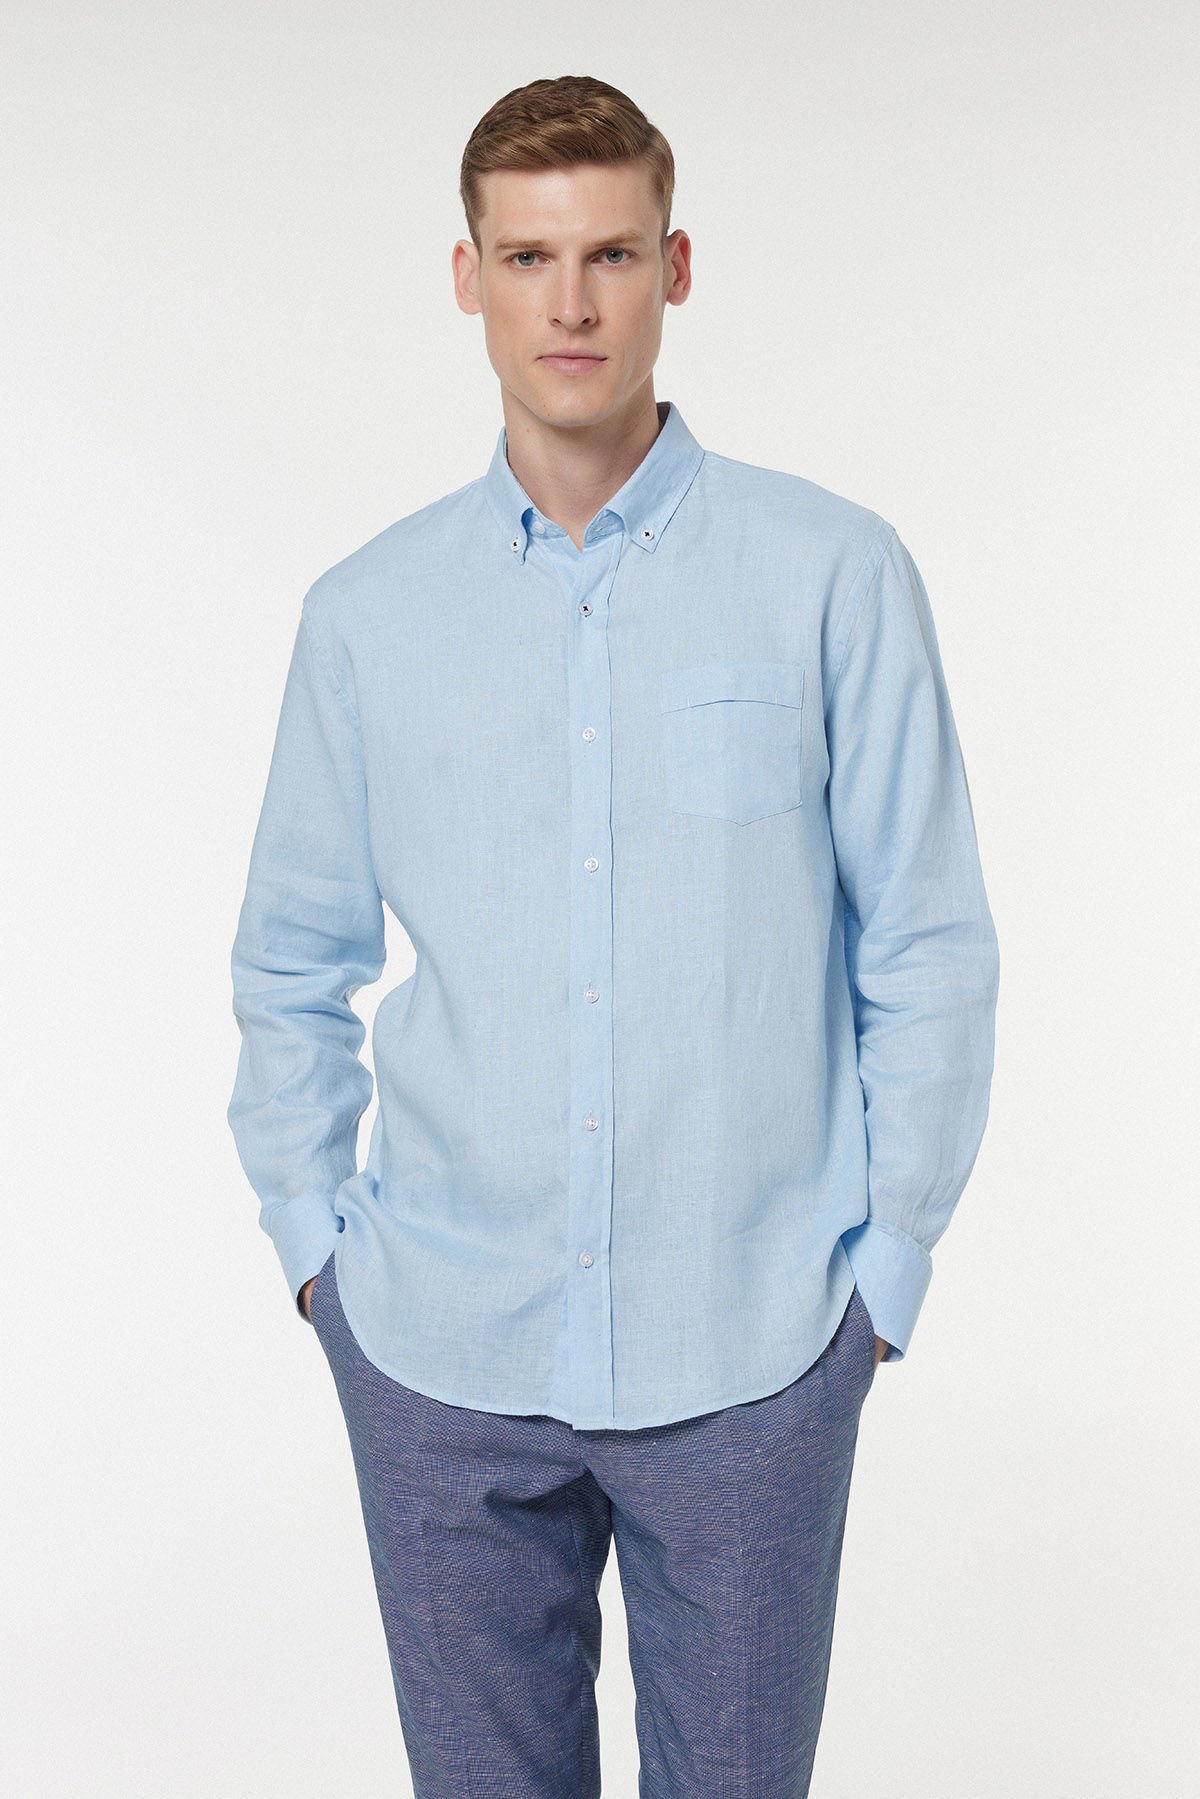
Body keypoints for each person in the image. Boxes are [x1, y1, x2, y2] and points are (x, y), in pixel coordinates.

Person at [227, 72, 1000, 1798]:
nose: (569, 303)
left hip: (757, 1351)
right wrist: (317, 1256)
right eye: (528, 257)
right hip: (438, 1353)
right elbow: (291, 961)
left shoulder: (832, 573)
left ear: (677, 266)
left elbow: (928, 941)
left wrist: (879, 1278)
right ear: (468, 277)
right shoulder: (366, 617)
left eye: (611, 254)